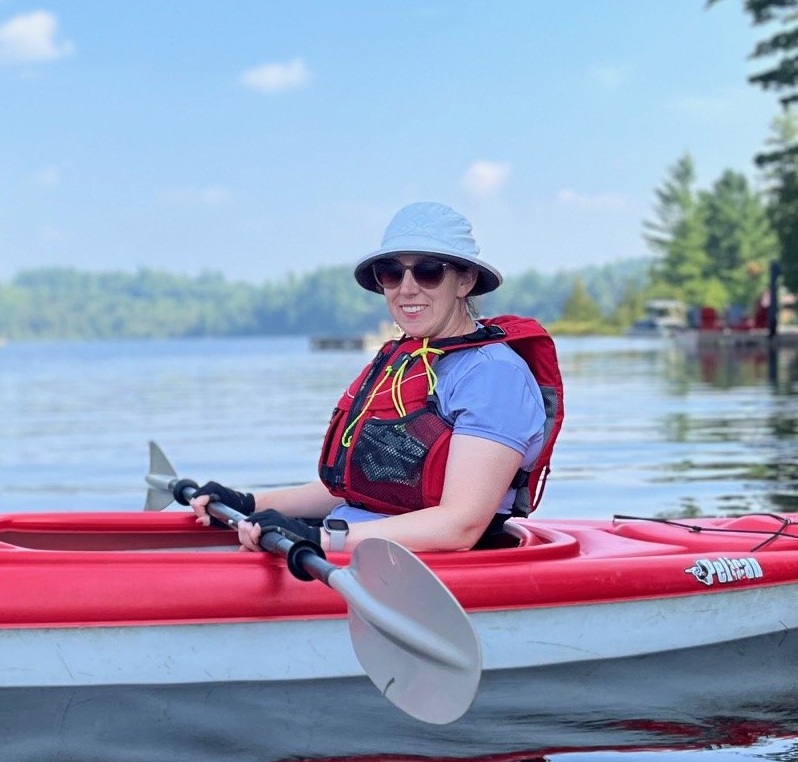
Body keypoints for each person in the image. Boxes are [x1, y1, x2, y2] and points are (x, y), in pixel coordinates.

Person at [192, 201, 562, 559]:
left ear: (464, 280)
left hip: (420, 571)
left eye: (428, 270)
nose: (407, 287)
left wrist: (318, 538)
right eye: (391, 272)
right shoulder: (406, 362)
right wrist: (251, 502)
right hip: (352, 546)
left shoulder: (494, 377)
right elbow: (360, 488)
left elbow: (460, 525)